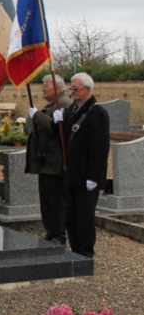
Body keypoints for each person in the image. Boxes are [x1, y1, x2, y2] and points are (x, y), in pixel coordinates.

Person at [53, 72, 110, 257]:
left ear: (87, 89)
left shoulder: (97, 112)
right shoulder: (72, 110)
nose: (73, 92)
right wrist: (57, 122)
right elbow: (63, 138)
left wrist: (94, 176)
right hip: (71, 172)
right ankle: (75, 248)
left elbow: (100, 148)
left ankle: (85, 251)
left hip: (87, 175)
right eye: (71, 88)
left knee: (84, 216)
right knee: (71, 215)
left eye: (75, 89)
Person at [25, 75, 73, 245]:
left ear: (58, 88)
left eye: (46, 86)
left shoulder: (64, 104)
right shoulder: (52, 105)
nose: (43, 89)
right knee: (46, 200)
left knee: (55, 200)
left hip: (55, 161)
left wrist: (37, 116)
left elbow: (55, 129)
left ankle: (59, 234)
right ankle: (51, 231)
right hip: (45, 161)